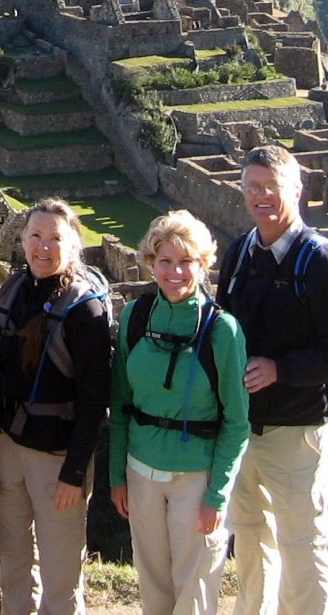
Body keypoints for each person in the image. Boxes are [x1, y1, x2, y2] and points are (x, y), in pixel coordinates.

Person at [216, 145, 328, 615]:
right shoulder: (240, 252)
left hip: (297, 432)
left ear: (296, 192)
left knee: (302, 542)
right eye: (252, 188)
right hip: (243, 428)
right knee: (250, 536)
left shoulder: (322, 264)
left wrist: (280, 370)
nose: (260, 197)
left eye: (270, 188)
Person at [0, 198, 112, 615]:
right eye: (35, 235)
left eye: (54, 238)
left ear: (73, 245)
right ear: (23, 240)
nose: (43, 247)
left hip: (59, 457)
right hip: (10, 447)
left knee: (61, 573)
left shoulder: (86, 311)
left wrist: (75, 473)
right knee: (13, 561)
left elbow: (94, 402)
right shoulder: (12, 293)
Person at [108, 211, 249, 615]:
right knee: (152, 581)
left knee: (195, 584)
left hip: (196, 477)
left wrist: (217, 493)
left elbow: (237, 422)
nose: (174, 272)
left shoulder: (223, 330)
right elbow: (120, 404)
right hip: (141, 472)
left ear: (202, 265)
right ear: (150, 264)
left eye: (186, 261)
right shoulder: (136, 317)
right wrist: (118, 476)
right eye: (164, 261)